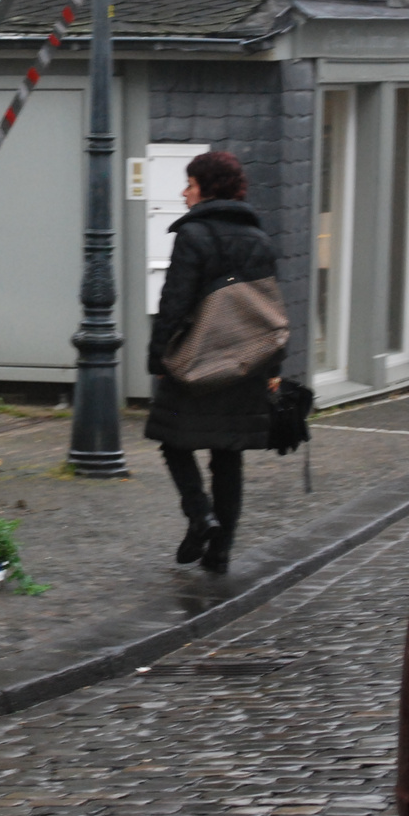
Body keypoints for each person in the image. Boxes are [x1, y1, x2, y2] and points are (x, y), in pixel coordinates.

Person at [145, 151, 283, 574]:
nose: (184, 192)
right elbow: (271, 306)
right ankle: (220, 551)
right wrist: (274, 368)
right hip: (243, 364)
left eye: (190, 184)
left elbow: (174, 302)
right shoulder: (259, 239)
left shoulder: (194, 236)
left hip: (195, 360)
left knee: (174, 441)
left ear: (207, 187)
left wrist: (158, 355)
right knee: (228, 454)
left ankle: (200, 514)